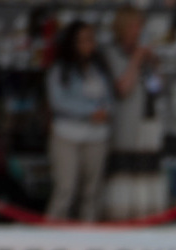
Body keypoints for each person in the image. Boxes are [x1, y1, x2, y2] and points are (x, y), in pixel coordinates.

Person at [45, 20, 112, 221]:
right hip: (68, 135)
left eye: (90, 40)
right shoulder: (59, 69)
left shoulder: (99, 68)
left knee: (91, 192)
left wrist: (105, 111)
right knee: (66, 189)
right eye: (82, 41)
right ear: (71, 43)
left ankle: (87, 237)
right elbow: (58, 102)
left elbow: (109, 98)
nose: (87, 45)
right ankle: (50, 237)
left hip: (96, 136)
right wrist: (90, 112)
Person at [103, 6, 164, 222]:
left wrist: (153, 65)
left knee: (147, 173)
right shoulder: (112, 54)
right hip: (124, 125)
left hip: (148, 122)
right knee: (124, 175)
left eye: (140, 26)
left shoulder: (143, 54)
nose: (138, 30)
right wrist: (137, 59)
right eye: (134, 25)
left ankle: (147, 216)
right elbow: (123, 88)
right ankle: (121, 219)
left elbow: (156, 88)